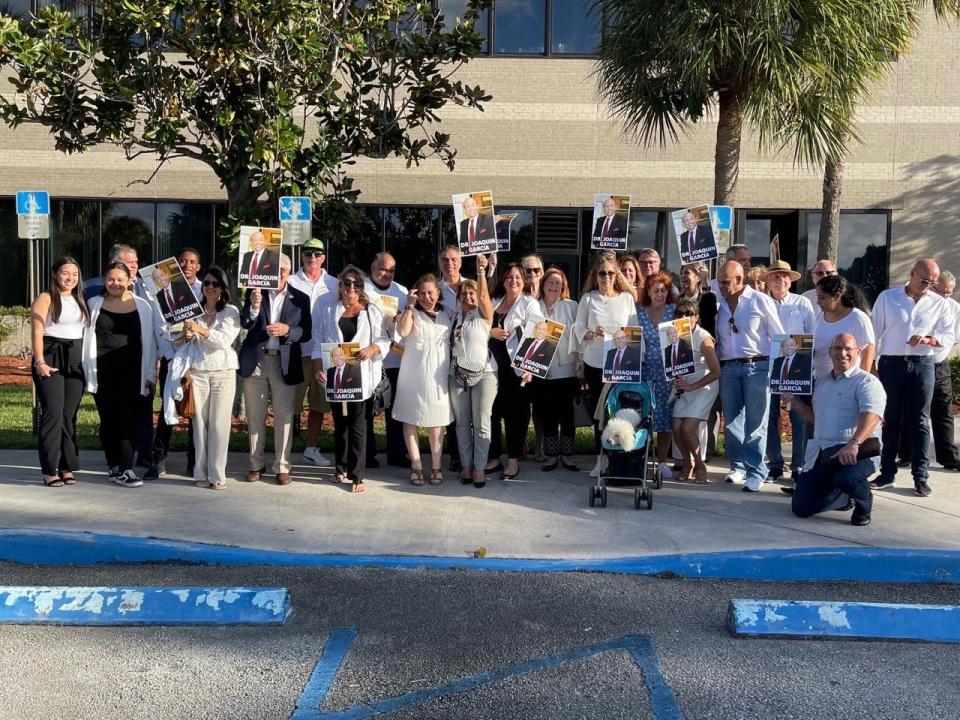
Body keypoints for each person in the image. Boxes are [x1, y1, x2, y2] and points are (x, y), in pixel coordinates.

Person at [870, 258, 956, 497]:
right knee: (891, 419)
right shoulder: (888, 298)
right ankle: (887, 473)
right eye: (924, 280)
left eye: (932, 282)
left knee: (920, 421)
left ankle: (921, 477)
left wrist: (929, 339)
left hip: (923, 364)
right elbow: (874, 332)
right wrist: (872, 366)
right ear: (912, 274)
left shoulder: (939, 304)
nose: (927, 285)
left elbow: (948, 335)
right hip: (891, 363)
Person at [787, 333, 886, 527]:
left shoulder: (867, 382)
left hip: (858, 452)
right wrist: (796, 404)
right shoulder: (822, 383)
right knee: (801, 508)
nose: (843, 353)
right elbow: (817, 417)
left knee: (847, 478)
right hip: (826, 453)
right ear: (830, 353)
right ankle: (842, 497)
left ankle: (863, 505)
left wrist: (854, 444)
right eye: (837, 348)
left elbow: (872, 417)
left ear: (858, 352)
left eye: (848, 349)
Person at [312, 266, 390, 493]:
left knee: (358, 426)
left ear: (362, 288)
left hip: (360, 378)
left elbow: (384, 340)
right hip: (335, 377)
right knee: (339, 425)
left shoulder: (370, 311)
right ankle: (340, 468)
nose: (351, 288)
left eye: (357, 284)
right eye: (347, 283)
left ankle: (357, 476)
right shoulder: (328, 309)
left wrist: (372, 348)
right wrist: (318, 367)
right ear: (340, 286)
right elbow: (318, 341)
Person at [82, 262, 157, 488]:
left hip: (134, 371)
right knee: (108, 420)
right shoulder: (94, 304)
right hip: (102, 371)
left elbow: (150, 342)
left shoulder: (143, 306)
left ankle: (126, 468)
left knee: (128, 419)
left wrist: (151, 374)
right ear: (105, 280)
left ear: (129, 281)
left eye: (120, 279)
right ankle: (113, 465)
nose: (115, 283)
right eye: (111, 279)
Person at [239, 254, 311, 486]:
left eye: (283, 269)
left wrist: (287, 330)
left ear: (289, 271)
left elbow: (305, 332)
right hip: (257, 361)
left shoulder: (300, 298)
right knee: (255, 415)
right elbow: (246, 323)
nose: (279, 272)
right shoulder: (255, 293)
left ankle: (282, 466)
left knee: (284, 416)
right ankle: (255, 464)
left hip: (285, 361)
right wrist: (254, 306)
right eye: (275, 268)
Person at [715, 260, 785, 492]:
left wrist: (778, 371)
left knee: (757, 422)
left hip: (758, 366)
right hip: (729, 368)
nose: (721, 286)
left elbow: (779, 337)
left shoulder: (760, 300)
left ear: (739, 279)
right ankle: (738, 465)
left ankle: (756, 471)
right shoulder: (719, 304)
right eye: (719, 282)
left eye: (725, 282)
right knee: (732, 421)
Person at [574, 256, 638, 476]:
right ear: (596, 276)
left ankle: (619, 459)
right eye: (602, 273)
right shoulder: (588, 299)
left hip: (620, 366)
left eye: (611, 273)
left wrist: (623, 337)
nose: (607, 277)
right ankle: (601, 459)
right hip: (595, 364)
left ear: (616, 275)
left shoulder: (627, 299)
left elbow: (634, 331)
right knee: (599, 414)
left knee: (619, 413)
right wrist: (591, 333)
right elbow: (578, 327)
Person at [31, 257, 90, 487]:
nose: (70, 278)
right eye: (65, 273)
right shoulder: (45, 298)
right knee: (53, 413)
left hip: (75, 361)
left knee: (69, 415)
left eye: (74, 274)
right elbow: (37, 332)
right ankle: (49, 469)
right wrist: (39, 362)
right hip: (51, 356)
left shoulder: (80, 299)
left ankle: (67, 466)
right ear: (55, 274)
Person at [394, 273, 455, 486]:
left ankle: (436, 466)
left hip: (438, 377)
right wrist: (409, 306)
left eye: (431, 292)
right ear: (416, 294)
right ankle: (417, 465)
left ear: (438, 294)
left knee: (437, 422)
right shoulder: (411, 313)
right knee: (410, 419)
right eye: (422, 293)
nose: (427, 297)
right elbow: (402, 332)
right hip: (413, 375)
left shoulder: (448, 315)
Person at [147, 247, 202, 480]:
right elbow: (159, 328)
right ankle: (157, 461)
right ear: (176, 265)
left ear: (198, 266)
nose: (187, 265)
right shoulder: (159, 295)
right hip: (171, 358)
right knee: (167, 410)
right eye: (182, 261)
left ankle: (194, 462)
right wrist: (170, 352)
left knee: (193, 412)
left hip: (196, 360)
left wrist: (194, 337)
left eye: (192, 262)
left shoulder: (204, 290)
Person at [183, 266, 240, 490]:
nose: (209, 287)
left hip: (223, 373)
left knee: (219, 425)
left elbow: (224, 340)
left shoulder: (231, 311)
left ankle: (218, 474)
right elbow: (182, 341)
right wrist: (187, 334)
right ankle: (200, 471)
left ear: (223, 287)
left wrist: (202, 330)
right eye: (206, 283)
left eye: (215, 284)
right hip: (198, 372)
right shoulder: (193, 312)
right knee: (199, 424)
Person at [486, 262, 544, 480]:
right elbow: (480, 325)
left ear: (524, 281)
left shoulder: (529, 304)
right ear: (503, 279)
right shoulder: (494, 301)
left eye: (518, 277)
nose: (514, 281)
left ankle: (512, 460)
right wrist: (490, 332)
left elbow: (541, 333)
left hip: (518, 369)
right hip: (492, 367)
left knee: (515, 415)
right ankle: (493, 457)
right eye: (509, 277)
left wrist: (530, 367)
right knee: (491, 412)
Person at [288, 237, 339, 469]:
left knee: (319, 406)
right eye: (308, 252)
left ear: (323, 258)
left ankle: (310, 448)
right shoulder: (289, 280)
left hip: (324, 355)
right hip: (296, 353)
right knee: (289, 406)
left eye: (317, 253)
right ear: (302, 256)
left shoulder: (335, 283)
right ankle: (283, 452)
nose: (312, 256)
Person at [764, 260, 816, 483]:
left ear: (790, 280)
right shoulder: (762, 302)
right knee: (769, 416)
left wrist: (809, 367)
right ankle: (775, 464)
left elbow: (812, 334)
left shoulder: (802, 303)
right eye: (775, 276)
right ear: (768, 280)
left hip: (798, 367)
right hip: (769, 366)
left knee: (799, 416)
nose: (780, 280)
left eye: (784, 276)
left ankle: (798, 466)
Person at [449, 255, 497, 488]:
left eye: (472, 293)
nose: (468, 297)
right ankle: (466, 466)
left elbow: (485, 297)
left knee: (481, 424)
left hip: (484, 376)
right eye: (464, 293)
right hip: (457, 376)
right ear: (458, 298)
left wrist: (480, 271)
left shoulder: (484, 316)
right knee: (462, 423)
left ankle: (479, 468)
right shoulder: (455, 318)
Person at [531, 268, 579, 471]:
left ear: (563, 287)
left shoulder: (571, 306)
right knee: (546, 413)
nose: (553, 286)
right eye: (550, 282)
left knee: (567, 414)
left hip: (566, 368)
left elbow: (578, 337)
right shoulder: (534, 306)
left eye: (558, 283)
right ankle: (551, 455)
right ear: (543, 285)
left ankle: (567, 455)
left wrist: (580, 365)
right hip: (541, 369)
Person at [364, 251, 409, 468]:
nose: (387, 274)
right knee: (367, 409)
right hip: (369, 358)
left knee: (395, 409)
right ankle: (367, 454)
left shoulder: (402, 291)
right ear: (373, 269)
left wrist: (403, 317)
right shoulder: (361, 288)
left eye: (391, 270)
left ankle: (397, 453)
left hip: (395, 358)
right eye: (383, 269)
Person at [671, 298, 720, 483]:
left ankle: (699, 464)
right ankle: (687, 463)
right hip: (684, 387)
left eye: (688, 314)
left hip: (703, 386)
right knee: (676, 427)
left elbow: (716, 372)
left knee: (687, 427)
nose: (683, 317)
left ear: (696, 317)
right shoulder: (673, 334)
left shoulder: (703, 338)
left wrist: (692, 386)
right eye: (679, 313)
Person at [637, 272, 678, 476]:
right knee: (644, 414)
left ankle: (661, 461)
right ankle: (641, 458)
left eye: (663, 290)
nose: (660, 294)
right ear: (648, 292)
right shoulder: (639, 312)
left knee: (664, 416)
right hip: (644, 370)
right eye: (656, 290)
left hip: (667, 372)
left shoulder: (674, 310)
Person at [812, 275, 874, 379]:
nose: (818, 302)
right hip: (818, 381)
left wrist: (860, 383)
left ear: (837, 296)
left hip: (845, 383)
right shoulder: (819, 317)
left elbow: (867, 352)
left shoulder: (858, 319)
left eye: (821, 297)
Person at [679, 261, 717, 337]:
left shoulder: (709, 299)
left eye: (687, 273)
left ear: (698, 278)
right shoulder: (678, 300)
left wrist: (705, 279)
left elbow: (709, 323)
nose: (682, 276)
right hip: (684, 345)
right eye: (681, 273)